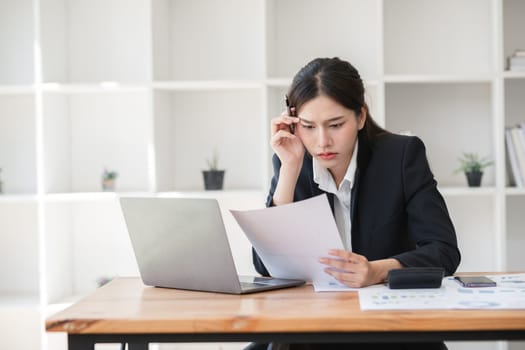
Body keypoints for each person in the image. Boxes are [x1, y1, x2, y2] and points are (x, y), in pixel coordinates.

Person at [248, 57, 461, 350]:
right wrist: (288, 171)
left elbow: (444, 252)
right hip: (311, 328)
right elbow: (265, 267)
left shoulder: (401, 156)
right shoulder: (291, 160)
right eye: (308, 126)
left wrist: (378, 270)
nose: (322, 142)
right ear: (293, 124)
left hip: (390, 330)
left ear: (360, 117)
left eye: (335, 125)